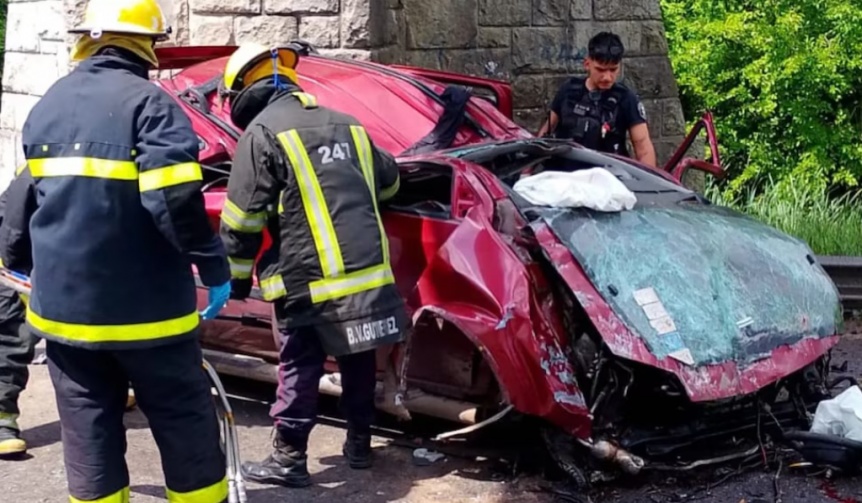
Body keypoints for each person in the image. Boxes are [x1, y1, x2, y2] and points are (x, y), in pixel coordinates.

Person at [0, 0, 233, 501]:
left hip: (65, 318)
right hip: (149, 315)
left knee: (87, 430)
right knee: (182, 421)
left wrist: (17, 263)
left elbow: (23, 198)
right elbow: (173, 203)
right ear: (147, 45)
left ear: (88, 38)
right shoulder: (152, 104)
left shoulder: (50, 105)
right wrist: (215, 266)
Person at [218, 42, 408, 488]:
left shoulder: (261, 132)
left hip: (308, 281)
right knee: (358, 360)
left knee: (299, 365)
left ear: (244, 90)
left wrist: (237, 282)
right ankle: (359, 444)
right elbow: (391, 181)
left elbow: (241, 220)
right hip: (368, 275)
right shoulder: (350, 125)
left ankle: (289, 459)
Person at [537, 31, 658, 168]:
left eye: (613, 70)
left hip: (608, 179)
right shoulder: (568, 91)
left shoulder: (626, 99)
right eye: (600, 70)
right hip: (566, 179)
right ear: (587, 64)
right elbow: (546, 133)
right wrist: (526, 171)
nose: (607, 77)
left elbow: (643, 148)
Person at [0, 180, 35, 456]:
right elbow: (13, 223)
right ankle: (2, 420)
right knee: (13, 335)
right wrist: (14, 270)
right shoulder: (45, 156)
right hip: (13, 256)